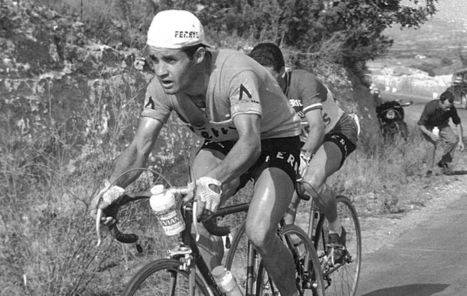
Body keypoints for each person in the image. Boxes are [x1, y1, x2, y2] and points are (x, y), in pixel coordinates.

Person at [91, 10, 303, 295]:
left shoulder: (234, 72)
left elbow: (251, 142)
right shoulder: (161, 87)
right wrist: (112, 189)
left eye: (170, 60)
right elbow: (140, 147)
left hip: (274, 139)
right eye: (154, 59)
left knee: (259, 231)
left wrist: (213, 181)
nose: (160, 70)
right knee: (193, 219)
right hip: (225, 141)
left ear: (199, 56)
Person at [249, 42, 359, 262]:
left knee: (311, 182)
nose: (267, 84)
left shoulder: (302, 81)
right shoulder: (255, 87)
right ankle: (298, 259)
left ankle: (336, 231)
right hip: (299, 138)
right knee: (284, 208)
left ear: (283, 71)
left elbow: (317, 127)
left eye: (272, 78)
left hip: (335, 131)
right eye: (261, 78)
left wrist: (305, 157)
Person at [418, 90, 464, 176]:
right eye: (446, 107)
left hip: (442, 124)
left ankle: (443, 162)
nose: (448, 109)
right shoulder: (430, 107)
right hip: (428, 126)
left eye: (450, 106)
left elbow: (458, 123)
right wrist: (430, 134)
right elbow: (421, 125)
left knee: (453, 140)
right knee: (431, 146)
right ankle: (429, 170)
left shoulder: (451, 108)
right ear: (440, 102)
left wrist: (461, 141)